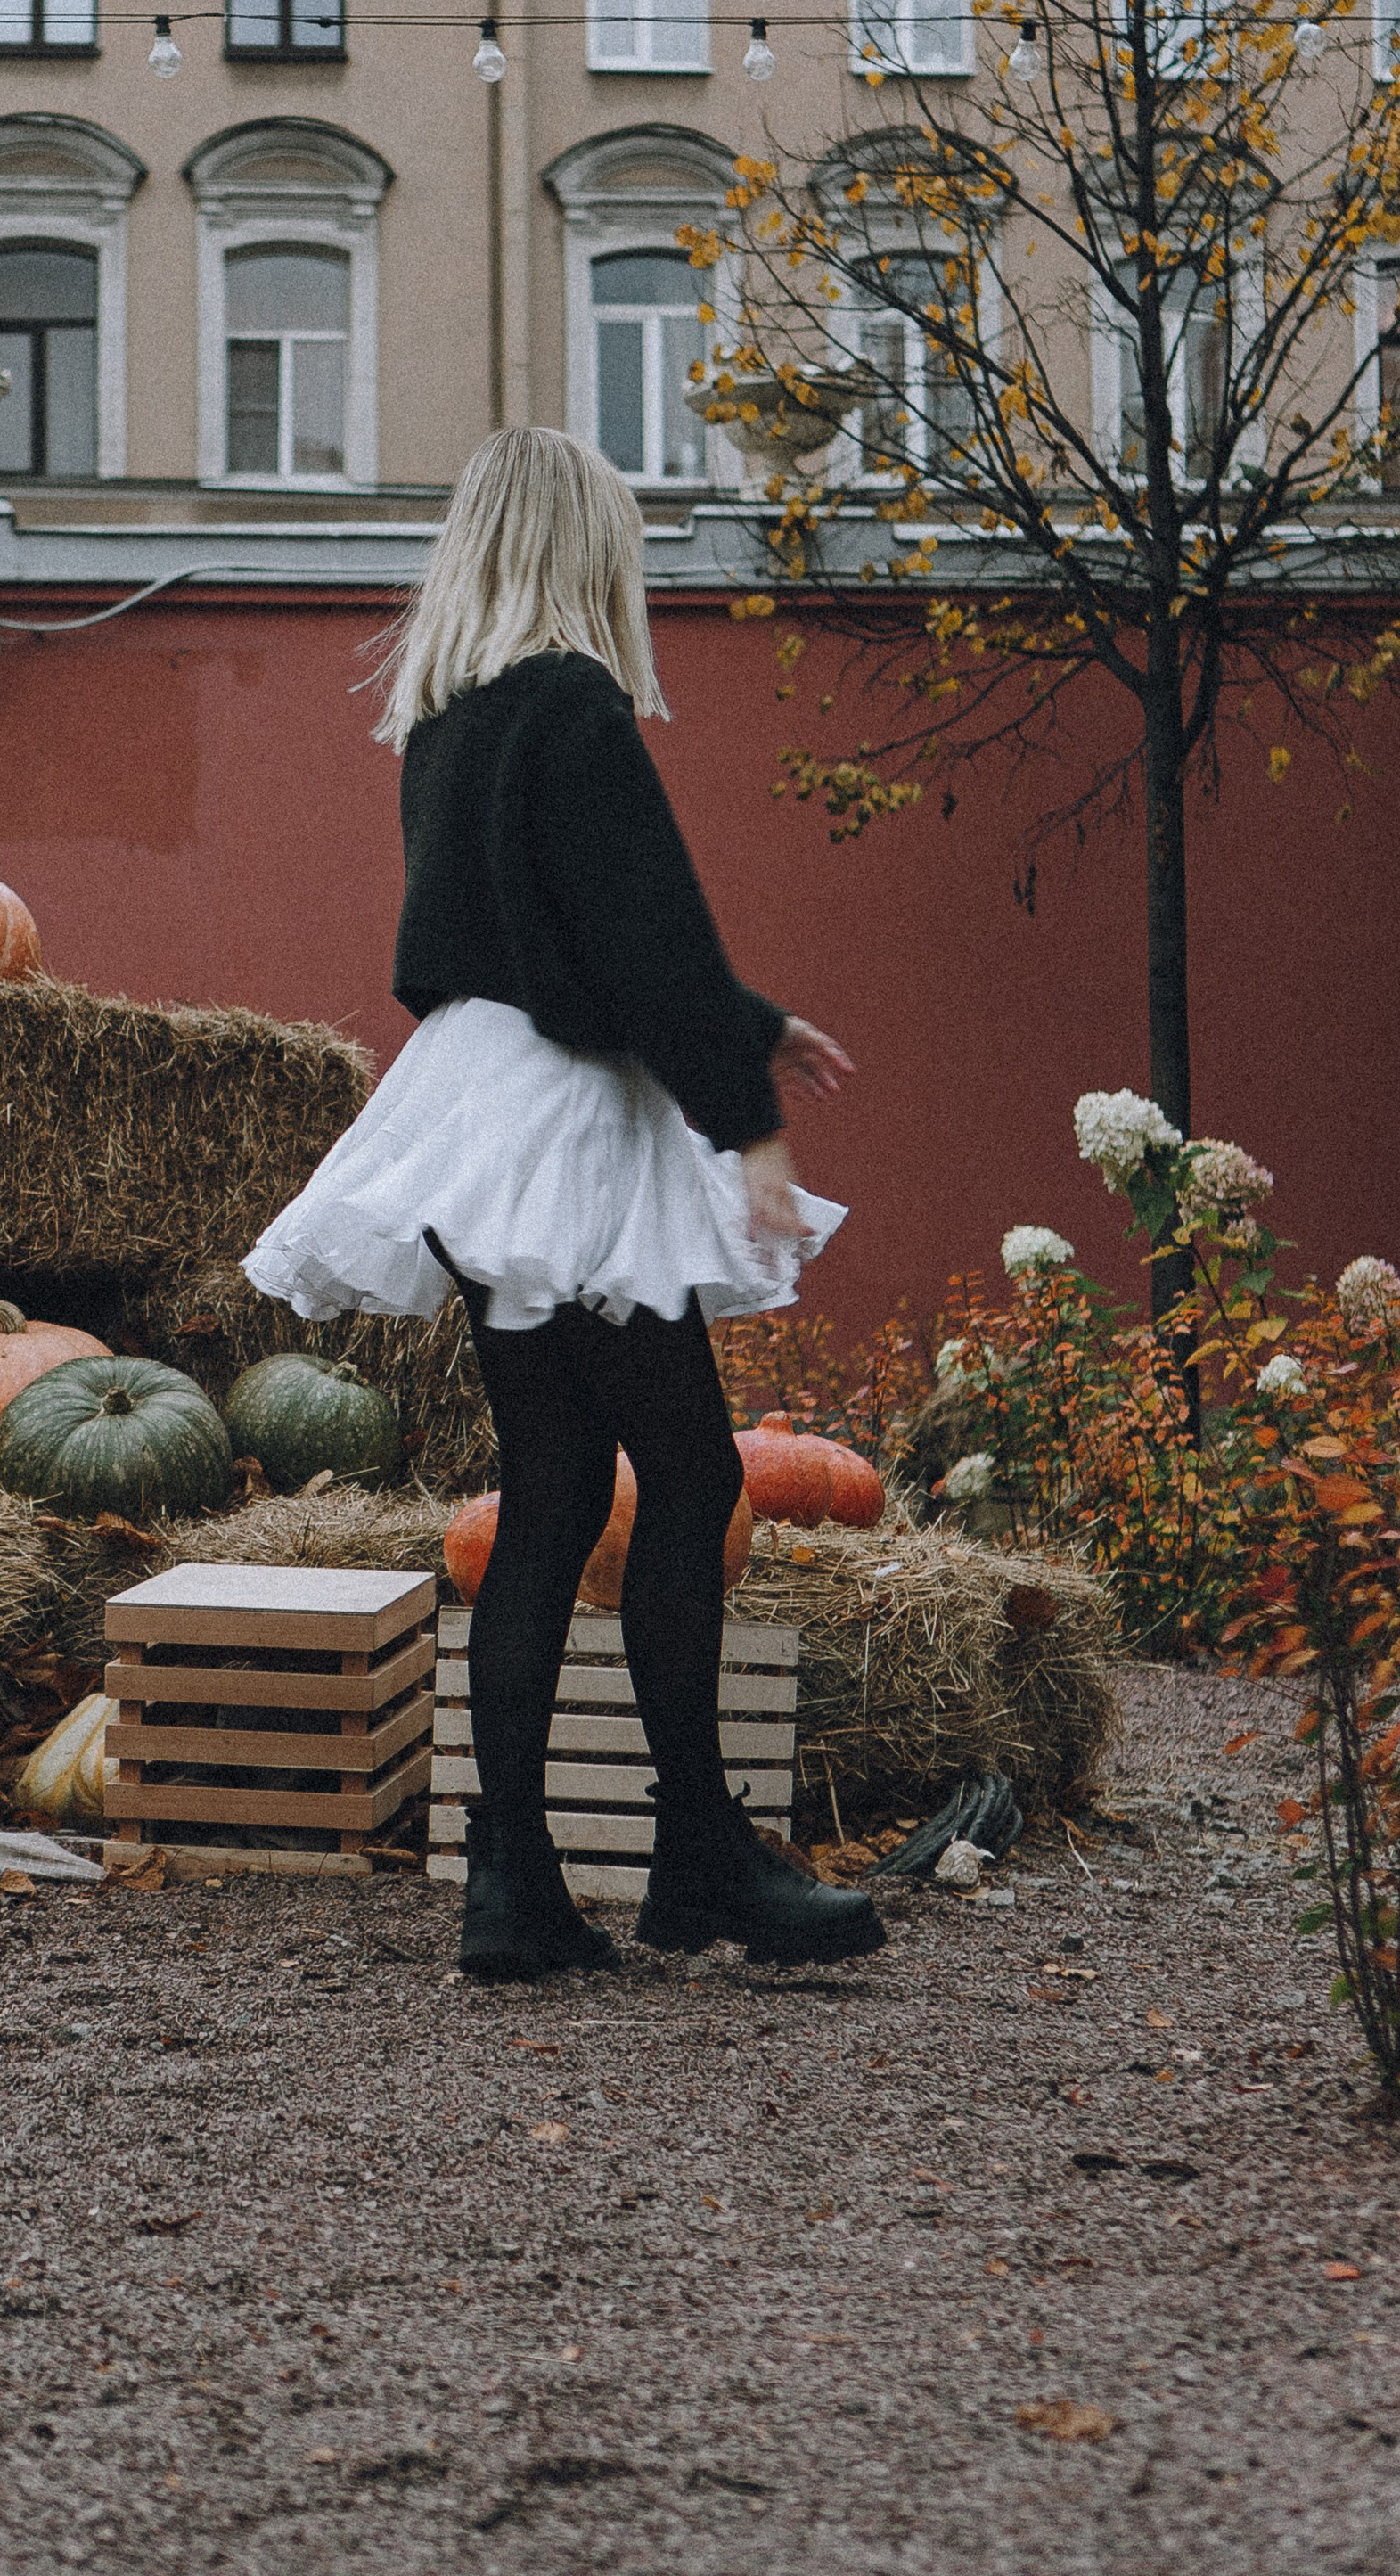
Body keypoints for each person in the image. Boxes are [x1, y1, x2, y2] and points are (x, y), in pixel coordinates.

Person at [245, 427, 887, 1981]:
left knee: (551, 1491)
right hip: (569, 1133)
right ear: (591, 550)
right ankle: (700, 1857)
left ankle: (514, 1884)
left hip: (473, 1111)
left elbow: (579, 931)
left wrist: (742, 1022)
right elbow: (638, 941)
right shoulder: (579, 710)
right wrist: (754, 1134)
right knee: (685, 1474)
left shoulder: (455, 723)